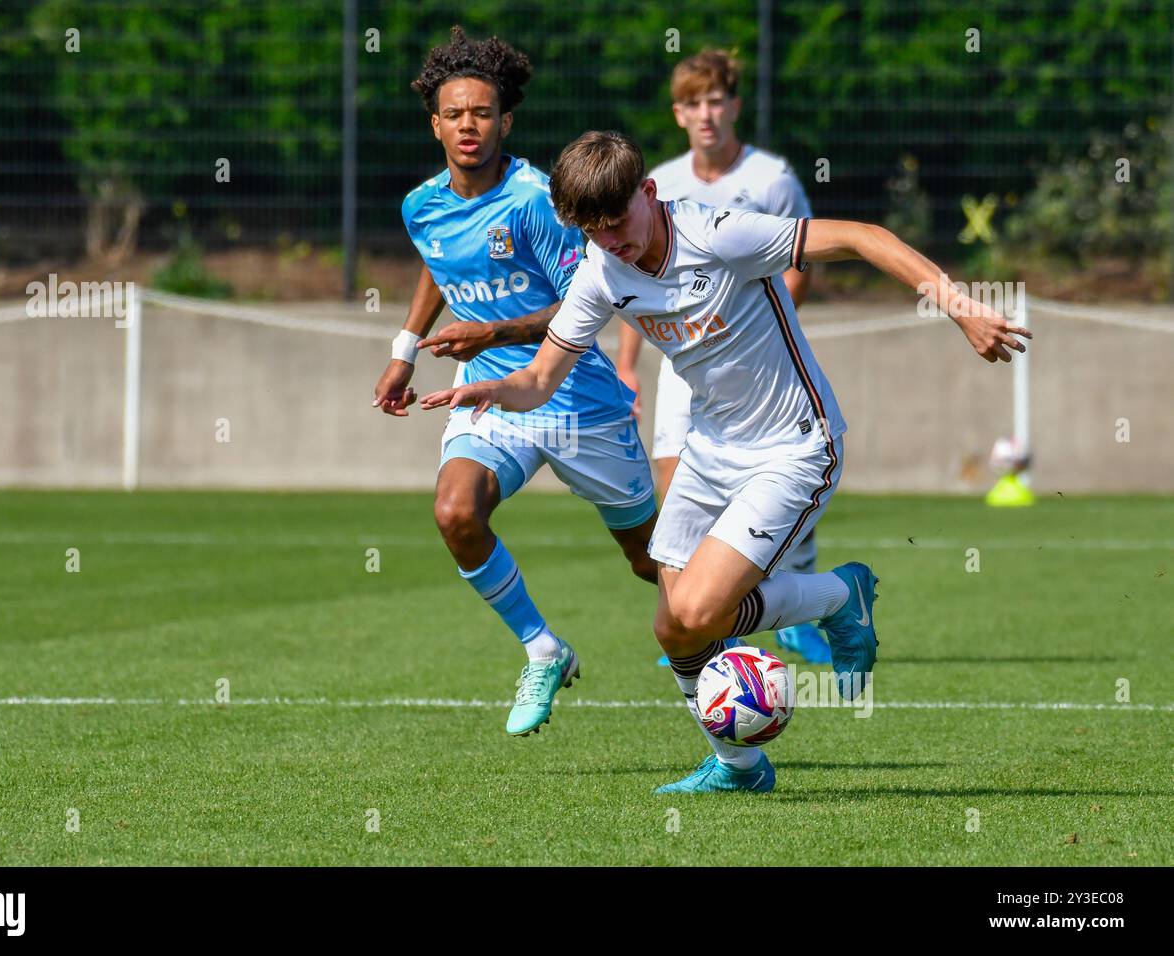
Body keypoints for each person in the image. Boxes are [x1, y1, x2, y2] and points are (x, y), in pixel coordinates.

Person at [421, 131, 1030, 792]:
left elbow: (862, 235)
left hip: (795, 445)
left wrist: (962, 307)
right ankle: (741, 768)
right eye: (594, 232)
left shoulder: (720, 235)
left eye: (619, 222)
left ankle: (838, 595)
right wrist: (494, 390)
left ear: (648, 193)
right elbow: (539, 381)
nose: (612, 242)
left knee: (704, 613)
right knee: (671, 627)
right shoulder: (599, 273)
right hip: (711, 453)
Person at [372, 30, 658, 738]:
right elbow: (440, 262)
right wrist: (405, 349)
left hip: (575, 397)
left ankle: (808, 602)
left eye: (483, 112)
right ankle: (543, 648)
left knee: (653, 564)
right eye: (455, 114)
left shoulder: (538, 200)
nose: (469, 125)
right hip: (490, 397)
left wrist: (490, 333)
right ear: (434, 123)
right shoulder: (422, 206)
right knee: (455, 512)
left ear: (506, 121)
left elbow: (584, 307)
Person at [616, 49, 830, 666]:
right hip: (681, 356)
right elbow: (632, 286)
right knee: (673, 478)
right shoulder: (661, 180)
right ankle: (704, 624)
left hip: (752, 353)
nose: (705, 114)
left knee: (774, 473)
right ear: (678, 113)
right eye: (692, 103)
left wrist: (750, 323)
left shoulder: (771, 180)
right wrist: (628, 364)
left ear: (734, 106)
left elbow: (799, 264)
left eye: (716, 101)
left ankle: (791, 605)